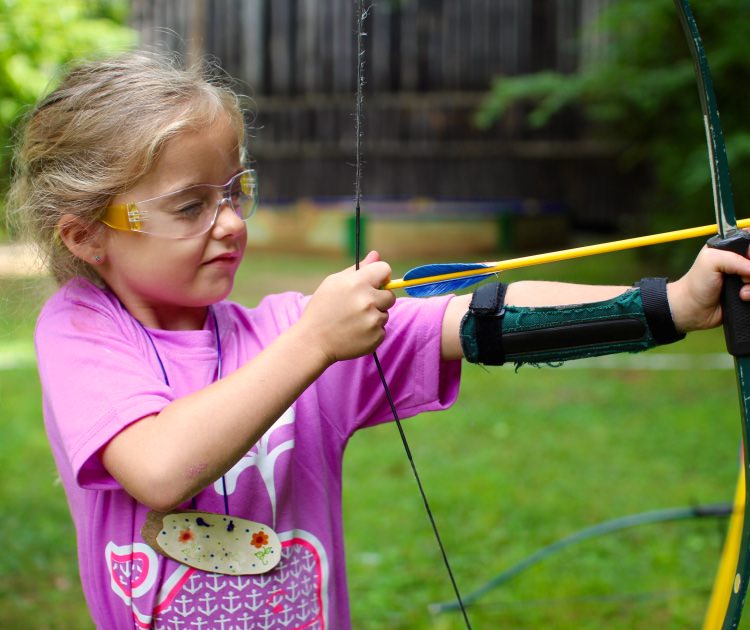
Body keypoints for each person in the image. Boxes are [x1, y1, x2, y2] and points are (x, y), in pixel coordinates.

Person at [6, 50, 750, 630]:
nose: (230, 221)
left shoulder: (290, 332)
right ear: (87, 235)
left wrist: (672, 305)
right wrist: (315, 344)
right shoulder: (83, 330)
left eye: (235, 191)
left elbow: (479, 315)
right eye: (190, 205)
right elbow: (159, 468)